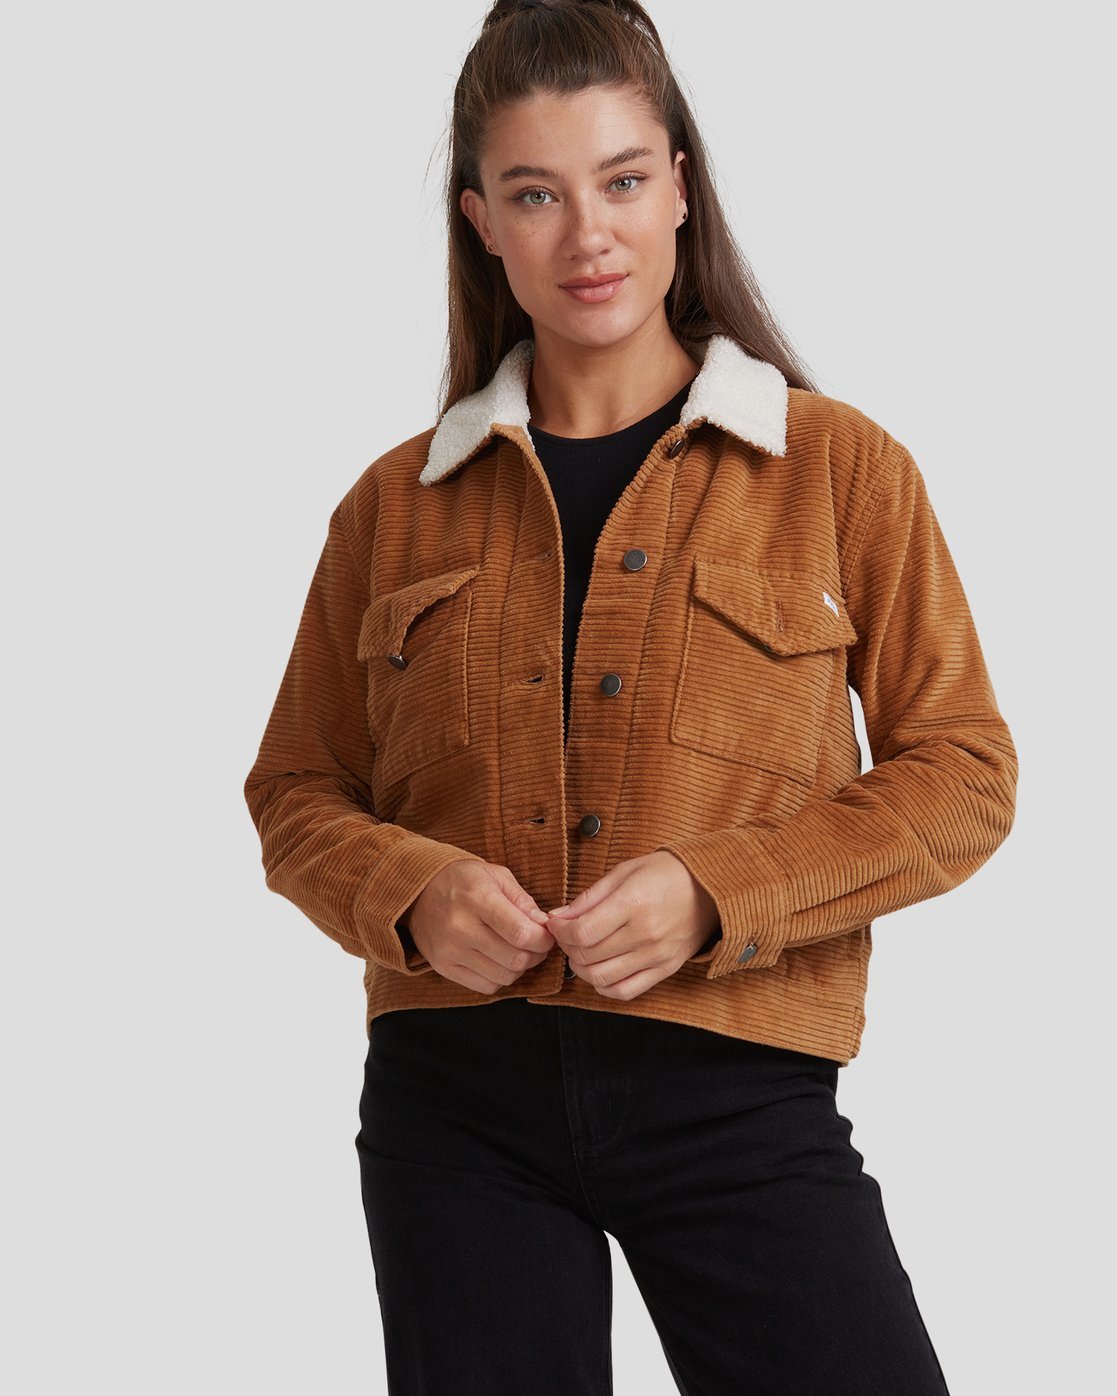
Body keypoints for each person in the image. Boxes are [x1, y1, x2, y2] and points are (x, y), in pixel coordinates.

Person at [243, 2, 1018, 1391]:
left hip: (738, 1086)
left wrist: (718, 891)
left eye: (620, 180)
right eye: (535, 194)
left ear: (679, 188)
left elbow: (961, 773)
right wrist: (412, 890)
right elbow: (296, 791)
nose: (586, 236)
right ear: (483, 222)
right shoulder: (393, 507)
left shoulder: (838, 471)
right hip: (454, 1107)